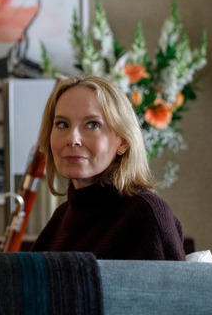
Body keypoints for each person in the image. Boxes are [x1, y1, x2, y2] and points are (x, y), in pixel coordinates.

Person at [30, 75, 185, 260]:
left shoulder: (145, 214)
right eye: (62, 124)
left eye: (92, 125)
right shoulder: (61, 217)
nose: (72, 139)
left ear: (123, 142)